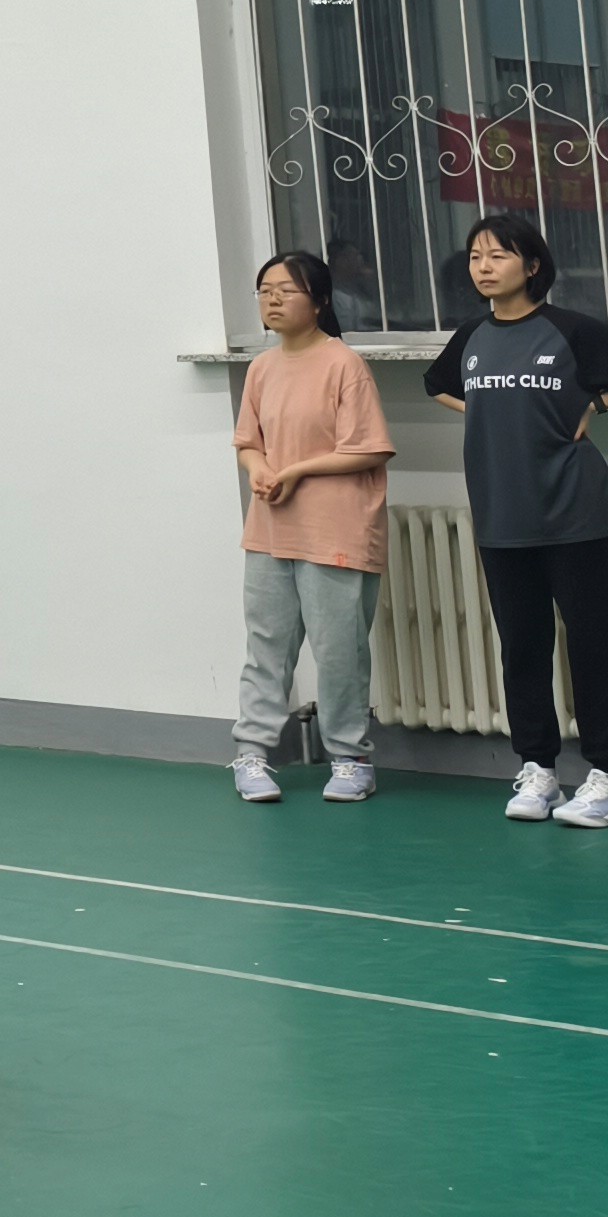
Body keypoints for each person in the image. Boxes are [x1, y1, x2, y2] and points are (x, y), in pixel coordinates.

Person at [427, 212, 608, 828]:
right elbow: (436, 383)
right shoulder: (471, 336)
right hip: (501, 514)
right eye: (475, 257)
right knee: (522, 646)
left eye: (497, 256)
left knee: (595, 645)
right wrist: (489, 410)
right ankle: (538, 769)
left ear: (532, 265)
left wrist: (594, 403)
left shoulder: (568, 329)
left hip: (575, 512)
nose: (483, 267)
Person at [229, 251, 392, 806]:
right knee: (267, 647)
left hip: (336, 529)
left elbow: (368, 449)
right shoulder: (261, 368)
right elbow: (248, 442)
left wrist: (295, 471)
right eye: (265, 290)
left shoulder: (343, 364)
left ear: (320, 301)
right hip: (271, 529)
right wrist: (259, 469)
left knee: (339, 649)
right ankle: (252, 752)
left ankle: (350, 757)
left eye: (286, 290)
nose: (272, 300)